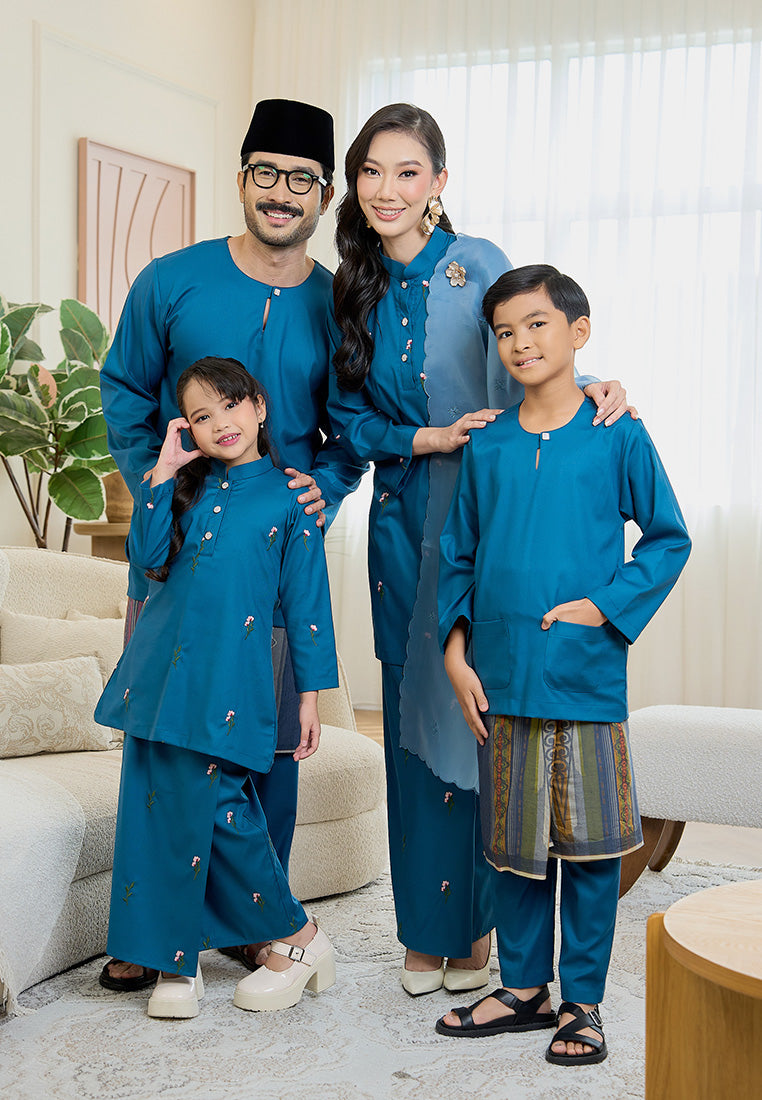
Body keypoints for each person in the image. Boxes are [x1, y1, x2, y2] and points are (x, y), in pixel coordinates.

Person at [328, 103, 632, 995]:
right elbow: (346, 421)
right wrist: (423, 439)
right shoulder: (350, 286)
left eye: (408, 172)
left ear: (439, 182)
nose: (387, 190)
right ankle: (428, 934)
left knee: (484, 719)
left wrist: (604, 384)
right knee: (413, 730)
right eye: (372, 173)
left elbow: (537, 356)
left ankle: (488, 938)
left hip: (496, 512)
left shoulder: (480, 265)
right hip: (403, 522)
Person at [98, 98, 364, 990]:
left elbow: (352, 426)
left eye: (302, 179)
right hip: (176, 558)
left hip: (273, 559)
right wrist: (156, 483)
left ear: (324, 195)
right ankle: (152, 934)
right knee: (163, 749)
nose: (282, 193)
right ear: (242, 176)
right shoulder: (171, 280)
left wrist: (317, 489)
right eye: (266, 173)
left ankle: (257, 930)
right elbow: (127, 388)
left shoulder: (337, 304)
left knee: (267, 750)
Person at [435, 265, 691, 1063]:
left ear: (577, 332)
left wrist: (603, 607)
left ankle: (582, 1000)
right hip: (500, 672)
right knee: (513, 843)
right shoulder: (490, 444)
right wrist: (454, 653)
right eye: (506, 332)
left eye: (537, 325)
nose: (520, 343)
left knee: (589, 847)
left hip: (584, 674)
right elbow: (458, 555)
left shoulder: (618, 432)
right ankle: (522, 988)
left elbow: (668, 536)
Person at [95, 357, 339, 1018]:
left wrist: (311, 699)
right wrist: (162, 474)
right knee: (155, 807)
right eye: (201, 416)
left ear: (259, 406)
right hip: (157, 676)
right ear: (188, 429)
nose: (219, 424)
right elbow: (146, 562)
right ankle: (176, 963)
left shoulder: (292, 498)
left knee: (221, 804)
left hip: (229, 679)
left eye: (230, 406)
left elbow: (307, 604)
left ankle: (300, 935)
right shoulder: (183, 488)